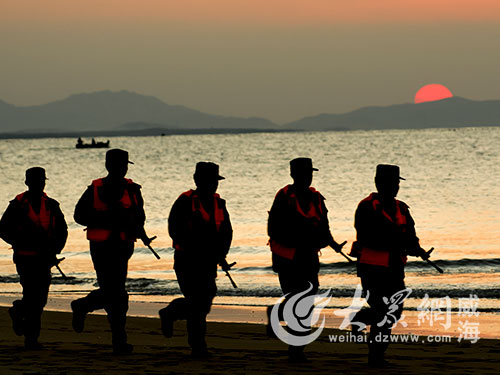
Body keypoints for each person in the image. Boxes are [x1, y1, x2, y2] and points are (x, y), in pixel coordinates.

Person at [70, 149, 154, 354]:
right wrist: (107, 217)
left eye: (124, 165)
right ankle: (118, 340)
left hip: (123, 247)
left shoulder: (133, 190)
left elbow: (139, 217)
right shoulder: (95, 188)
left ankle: (83, 307)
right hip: (101, 247)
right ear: (109, 166)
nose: (122, 169)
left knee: (114, 292)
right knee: (116, 293)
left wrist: (138, 229)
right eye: (120, 165)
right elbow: (79, 216)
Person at [349, 164, 430, 367]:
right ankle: (374, 353)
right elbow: (368, 237)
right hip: (371, 268)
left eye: (396, 184)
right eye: (390, 183)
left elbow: (410, 236)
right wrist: (399, 243)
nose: (394, 187)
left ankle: (370, 339)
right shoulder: (366, 207)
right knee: (382, 310)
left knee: (393, 312)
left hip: (395, 268)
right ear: (378, 184)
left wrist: (417, 249)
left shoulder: (402, 208)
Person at [267, 157, 345, 362]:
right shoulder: (283, 197)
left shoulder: (317, 198)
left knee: (307, 301)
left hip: (309, 258)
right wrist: (298, 241)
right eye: (303, 174)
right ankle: (293, 343)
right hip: (287, 258)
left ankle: (296, 348)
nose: (307, 178)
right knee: (296, 300)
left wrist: (334, 244)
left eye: (309, 174)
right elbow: (272, 229)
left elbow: (324, 227)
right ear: (293, 175)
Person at [159, 162, 233, 359]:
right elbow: (174, 230)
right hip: (187, 261)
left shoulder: (220, 203)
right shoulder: (184, 201)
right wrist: (198, 248)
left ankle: (171, 313)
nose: (213, 186)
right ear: (197, 181)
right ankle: (198, 347)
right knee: (197, 302)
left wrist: (221, 254)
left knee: (204, 301)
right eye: (209, 181)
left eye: (215, 182)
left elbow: (226, 232)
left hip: (209, 262)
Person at [0, 167, 68, 349]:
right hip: (25, 258)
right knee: (32, 297)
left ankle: (18, 312)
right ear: (27, 183)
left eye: (41, 181)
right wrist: (21, 241)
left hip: (45, 259)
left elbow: (62, 230)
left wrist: (55, 249)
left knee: (40, 299)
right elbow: (3, 229)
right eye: (36, 181)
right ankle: (31, 339)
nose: (39, 184)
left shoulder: (52, 205)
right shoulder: (17, 204)